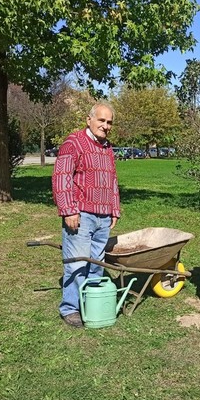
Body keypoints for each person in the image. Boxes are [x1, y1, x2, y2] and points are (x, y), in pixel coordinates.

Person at [52, 101, 120, 327]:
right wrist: (69, 210)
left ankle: (91, 303)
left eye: (109, 122)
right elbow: (61, 177)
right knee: (76, 264)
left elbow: (112, 180)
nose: (106, 125)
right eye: (101, 120)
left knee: (96, 264)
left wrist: (114, 209)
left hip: (102, 216)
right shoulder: (74, 143)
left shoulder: (107, 148)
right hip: (81, 215)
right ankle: (70, 308)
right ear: (89, 120)